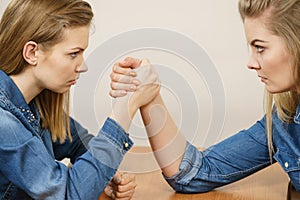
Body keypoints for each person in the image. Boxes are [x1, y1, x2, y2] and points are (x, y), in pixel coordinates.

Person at [110, 0, 300, 195]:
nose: (251, 63)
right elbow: (192, 173)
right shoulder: (283, 123)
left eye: (260, 48)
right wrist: (149, 93)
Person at [0, 0, 160, 199]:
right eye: (73, 54)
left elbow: (78, 144)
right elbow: (68, 195)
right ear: (32, 53)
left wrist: (101, 177)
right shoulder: (4, 123)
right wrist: (125, 108)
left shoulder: (34, 104)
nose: (82, 66)